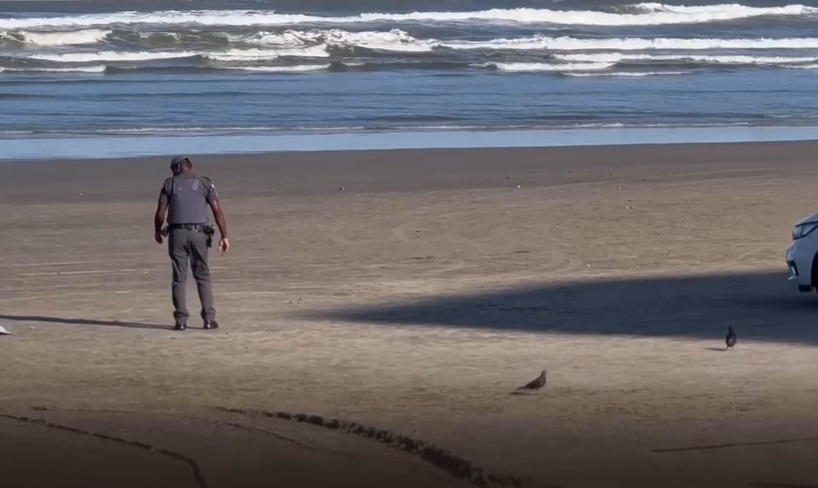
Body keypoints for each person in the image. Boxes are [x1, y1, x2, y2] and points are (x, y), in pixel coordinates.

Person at [154, 156, 229, 331]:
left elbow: (160, 214)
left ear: (179, 167)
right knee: (202, 275)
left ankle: (181, 321)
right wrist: (224, 235)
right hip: (199, 234)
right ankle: (209, 320)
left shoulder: (169, 184)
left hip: (177, 234)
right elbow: (217, 210)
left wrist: (157, 230)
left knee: (179, 277)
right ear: (190, 165)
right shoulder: (204, 183)